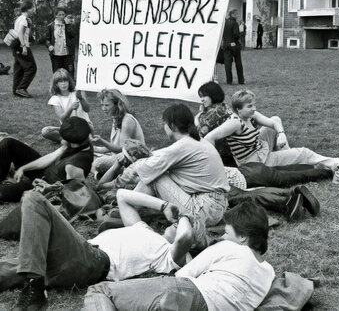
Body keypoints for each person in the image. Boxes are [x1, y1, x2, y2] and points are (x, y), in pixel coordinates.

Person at [0, 189, 208, 311]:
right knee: (9, 268)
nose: (175, 223)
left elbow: (185, 237)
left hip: (90, 261)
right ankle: (34, 281)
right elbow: (122, 195)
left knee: (34, 199)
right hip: (61, 259)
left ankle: (35, 288)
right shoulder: (142, 228)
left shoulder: (169, 255)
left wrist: (185, 216)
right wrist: (163, 206)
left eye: (184, 223)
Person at [84, 201, 276, 311]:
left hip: (188, 293)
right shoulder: (269, 273)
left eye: (227, 232)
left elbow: (183, 275)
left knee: (100, 291)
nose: (223, 236)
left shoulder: (231, 248)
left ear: (243, 237)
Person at [205, 90, 339, 186]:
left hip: (258, 148)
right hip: (254, 163)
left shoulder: (250, 115)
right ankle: (335, 162)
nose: (254, 109)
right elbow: (208, 138)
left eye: (254, 104)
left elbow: (274, 122)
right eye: (249, 106)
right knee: (304, 152)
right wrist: (216, 165)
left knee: (274, 121)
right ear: (238, 109)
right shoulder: (234, 123)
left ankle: (288, 153)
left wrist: (281, 135)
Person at [130, 104, 229, 228]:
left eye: (164, 124)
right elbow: (163, 154)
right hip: (214, 206)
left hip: (204, 210)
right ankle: (131, 207)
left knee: (155, 176)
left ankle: (129, 208)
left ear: (172, 125)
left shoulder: (183, 146)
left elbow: (147, 168)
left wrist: (133, 162)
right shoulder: (195, 141)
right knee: (158, 172)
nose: (164, 127)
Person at [0, 117, 95, 203]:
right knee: (8, 143)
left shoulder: (75, 165)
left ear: (72, 143)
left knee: (3, 192)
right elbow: (50, 157)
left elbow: (72, 193)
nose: (61, 140)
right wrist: (23, 169)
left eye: (63, 138)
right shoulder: (79, 142)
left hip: (45, 185)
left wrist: (41, 190)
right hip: (44, 172)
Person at [91, 89, 146, 176]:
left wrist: (101, 141)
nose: (103, 108)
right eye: (102, 105)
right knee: (89, 156)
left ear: (117, 105)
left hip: (131, 160)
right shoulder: (116, 118)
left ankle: (101, 174)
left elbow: (123, 149)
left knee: (97, 162)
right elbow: (114, 146)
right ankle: (98, 174)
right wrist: (96, 149)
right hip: (119, 156)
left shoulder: (127, 120)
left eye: (107, 105)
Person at [41, 68, 92, 142]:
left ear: (69, 81)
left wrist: (81, 99)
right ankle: (64, 140)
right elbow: (63, 118)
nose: (63, 83)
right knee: (45, 131)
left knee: (85, 134)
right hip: (68, 128)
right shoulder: (55, 99)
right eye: (60, 82)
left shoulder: (78, 92)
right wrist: (71, 108)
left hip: (84, 125)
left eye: (65, 80)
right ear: (56, 84)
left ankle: (69, 141)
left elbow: (87, 109)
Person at [195, 81, 237, 167]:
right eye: (201, 96)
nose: (202, 99)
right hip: (230, 152)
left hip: (222, 157)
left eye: (204, 96)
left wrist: (198, 117)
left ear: (213, 95)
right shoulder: (222, 106)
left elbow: (199, 134)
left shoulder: (215, 112)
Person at [10, 1, 37, 98]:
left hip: (16, 46)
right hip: (21, 46)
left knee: (19, 69)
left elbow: (22, 32)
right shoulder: (24, 19)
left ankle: (16, 89)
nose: (33, 10)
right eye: (32, 8)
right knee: (31, 68)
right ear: (28, 9)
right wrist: (24, 46)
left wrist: (30, 26)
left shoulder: (19, 19)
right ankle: (21, 88)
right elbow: (20, 33)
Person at [45, 7, 75, 75]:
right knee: (57, 74)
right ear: (56, 15)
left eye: (63, 14)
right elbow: (47, 39)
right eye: (59, 14)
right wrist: (49, 45)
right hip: (56, 54)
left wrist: (68, 25)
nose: (62, 16)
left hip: (67, 54)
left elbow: (72, 35)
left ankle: (71, 85)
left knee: (70, 73)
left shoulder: (68, 24)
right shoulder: (51, 26)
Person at [222, 9, 245, 85]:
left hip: (226, 45)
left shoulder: (224, 23)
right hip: (234, 45)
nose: (238, 15)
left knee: (227, 64)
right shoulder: (235, 23)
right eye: (236, 13)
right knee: (238, 63)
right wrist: (240, 33)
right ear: (232, 14)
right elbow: (236, 35)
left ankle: (229, 81)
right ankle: (241, 80)